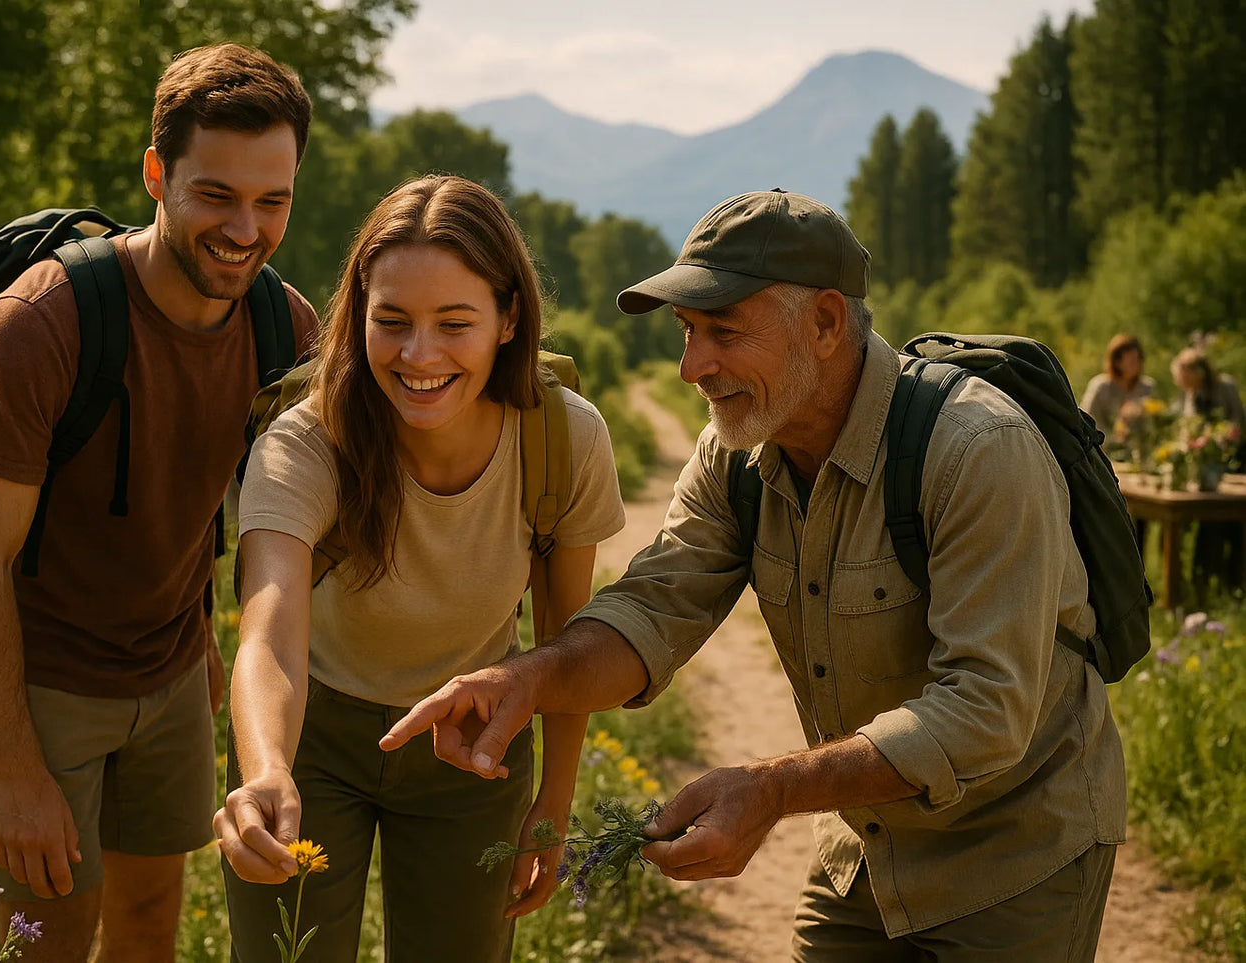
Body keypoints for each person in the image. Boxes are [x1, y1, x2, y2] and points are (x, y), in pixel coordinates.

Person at [383, 190, 1128, 962]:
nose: (690, 367)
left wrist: (771, 788)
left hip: (1016, 859)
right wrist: (525, 679)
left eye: (724, 331)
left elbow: (984, 710)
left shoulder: (977, 450)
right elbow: (654, 607)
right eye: (686, 331)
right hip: (865, 854)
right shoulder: (735, 452)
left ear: (826, 323)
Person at [0, 44, 316, 962]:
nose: (245, 230)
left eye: (272, 201)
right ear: (156, 174)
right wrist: (14, 766)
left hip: (172, 671)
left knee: (149, 925)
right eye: (215, 195)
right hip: (37, 681)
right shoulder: (41, 324)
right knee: (48, 940)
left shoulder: (285, 329)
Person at [214, 175, 626, 963]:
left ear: (509, 319)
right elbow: (268, 635)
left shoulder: (564, 439)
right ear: (358, 315)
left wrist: (556, 795)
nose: (419, 355)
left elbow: (564, 640)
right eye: (392, 321)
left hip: (474, 744)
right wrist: (265, 769)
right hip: (310, 737)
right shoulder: (304, 443)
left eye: (454, 323)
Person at [1169, 345, 1244, 588]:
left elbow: (1238, 424)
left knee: (1231, 525)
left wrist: (1221, 439)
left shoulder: (1225, 387)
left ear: (1197, 372)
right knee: (1205, 526)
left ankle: (1231, 581)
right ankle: (1202, 578)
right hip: (1205, 467)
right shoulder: (1192, 394)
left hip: (1233, 464)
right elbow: (1188, 427)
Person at [1080, 333, 1156, 443]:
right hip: (1103, 445)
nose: (1136, 364)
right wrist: (1113, 437)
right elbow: (1086, 419)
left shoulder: (1147, 387)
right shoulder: (1100, 387)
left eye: (1138, 359)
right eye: (1131, 361)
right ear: (1117, 362)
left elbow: (1154, 422)